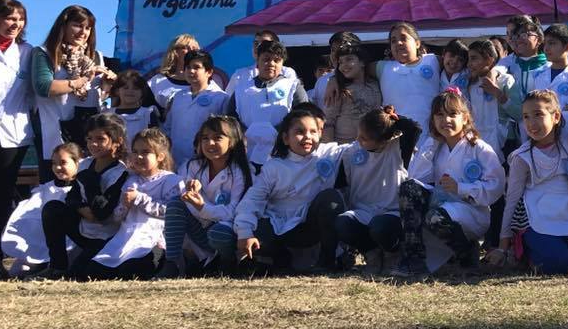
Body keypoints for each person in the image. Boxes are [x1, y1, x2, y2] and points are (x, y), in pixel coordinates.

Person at [391, 90, 505, 279]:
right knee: (408, 188)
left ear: (465, 118)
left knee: (435, 217)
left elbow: (496, 186)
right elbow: (416, 177)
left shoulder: (479, 148)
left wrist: (461, 188)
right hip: (441, 206)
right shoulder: (436, 146)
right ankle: (413, 256)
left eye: (452, 114)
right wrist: (432, 143)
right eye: (440, 115)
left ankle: (467, 254)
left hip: (471, 212)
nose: (446, 120)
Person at [490, 90, 568, 275]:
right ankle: (524, 253)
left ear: (556, 117)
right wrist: (503, 246)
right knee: (557, 263)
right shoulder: (522, 157)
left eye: (538, 115)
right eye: (526, 117)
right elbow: (512, 199)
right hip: (537, 218)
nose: (531, 123)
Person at [233, 105, 347, 274]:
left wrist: (385, 122)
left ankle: (327, 260)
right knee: (255, 232)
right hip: (278, 227)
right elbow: (252, 200)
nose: (307, 137)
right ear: (286, 138)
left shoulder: (330, 154)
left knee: (331, 198)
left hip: (310, 228)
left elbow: (362, 145)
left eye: (313, 131)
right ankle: (277, 259)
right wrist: (245, 232)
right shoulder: (274, 167)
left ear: (320, 134)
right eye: (300, 131)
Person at [37, 113, 130, 279]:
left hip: (106, 236)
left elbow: (102, 213)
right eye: (89, 138)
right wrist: (82, 208)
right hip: (84, 227)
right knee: (52, 208)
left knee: (80, 275)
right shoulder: (86, 164)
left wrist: (90, 182)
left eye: (100, 139)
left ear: (117, 141)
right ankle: (57, 266)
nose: (93, 144)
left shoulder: (121, 173)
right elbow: (72, 197)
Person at [160, 116, 253, 278]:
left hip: (225, 233)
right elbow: (185, 201)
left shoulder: (241, 172)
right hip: (201, 231)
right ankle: (172, 262)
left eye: (217, 138)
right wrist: (192, 196)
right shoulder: (193, 166)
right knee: (176, 204)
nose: (210, 143)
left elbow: (233, 212)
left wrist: (202, 207)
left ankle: (227, 262)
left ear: (231, 142)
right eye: (205, 138)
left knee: (219, 233)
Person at [333, 106, 421, 273]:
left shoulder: (398, 148)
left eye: (364, 138)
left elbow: (414, 128)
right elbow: (340, 186)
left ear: (382, 141)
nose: (358, 140)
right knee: (342, 223)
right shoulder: (351, 152)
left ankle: (392, 254)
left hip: (391, 212)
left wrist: (392, 118)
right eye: (359, 134)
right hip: (362, 211)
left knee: (380, 227)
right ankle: (371, 253)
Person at [32, 5, 113, 180]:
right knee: (56, 186)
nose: (83, 32)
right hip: (56, 132)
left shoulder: (96, 56)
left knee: (88, 184)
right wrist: (82, 80)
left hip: (88, 133)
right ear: (63, 26)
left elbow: (98, 95)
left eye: (88, 28)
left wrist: (108, 85)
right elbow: (44, 87)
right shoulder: (45, 53)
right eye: (77, 25)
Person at [88, 128, 181, 280]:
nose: (139, 156)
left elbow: (170, 212)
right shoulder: (131, 181)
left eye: (145, 152)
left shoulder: (171, 180)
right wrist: (125, 205)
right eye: (135, 152)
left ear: (160, 156)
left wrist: (140, 199)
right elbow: (117, 218)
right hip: (127, 237)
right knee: (93, 271)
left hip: (153, 238)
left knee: (132, 270)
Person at [0, 0, 34, 280]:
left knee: (2, 196)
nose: (15, 24)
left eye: (20, 19)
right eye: (9, 18)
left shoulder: (28, 52)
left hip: (14, 134)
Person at [1, 142, 82, 279]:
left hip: (73, 243)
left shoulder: (82, 186)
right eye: (54, 163)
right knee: (17, 271)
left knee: (76, 267)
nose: (57, 167)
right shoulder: (45, 189)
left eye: (63, 163)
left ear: (78, 162)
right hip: (44, 244)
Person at [228, 40, 307, 167]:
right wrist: (243, 134)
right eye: (266, 59)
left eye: (277, 60)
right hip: (248, 154)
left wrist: (280, 132)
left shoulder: (293, 86)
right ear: (257, 62)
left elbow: (303, 116)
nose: (271, 64)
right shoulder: (240, 89)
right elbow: (230, 119)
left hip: (283, 152)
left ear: (282, 63)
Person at [164, 51, 230, 168]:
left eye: (196, 67)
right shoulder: (178, 96)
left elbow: (226, 133)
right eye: (188, 67)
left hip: (205, 163)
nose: (191, 71)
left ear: (209, 72)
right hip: (175, 162)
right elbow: (168, 127)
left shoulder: (221, 98)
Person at [465, 40, 514, 162]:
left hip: (504, 143)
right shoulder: (471, 84)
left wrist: (498, 93)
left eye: (474, 58)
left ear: (489, 60)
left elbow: (517, 113)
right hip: (478, 143)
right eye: (469, 59)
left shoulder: (505, 80)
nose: (469, 64)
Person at [323, 44, 382, 144]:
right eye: (340, 62)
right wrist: (330, 149)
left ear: (362, 62)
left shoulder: (375, 84)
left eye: (349, 59)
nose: (343, 65)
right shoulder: (338, 88)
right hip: (343, 145)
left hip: (370, 145)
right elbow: (328, 121)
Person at [148, 34, 209, 111]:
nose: (191, 51)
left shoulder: (206, 81)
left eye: (195, 48)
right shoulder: (157, 81)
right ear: (175, 52)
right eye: (186, 47)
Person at [226, 30, 297, 96]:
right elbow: (229, 100)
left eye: (264, 43)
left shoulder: (287, 73)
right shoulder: (240, 75)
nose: (258, 47)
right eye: (256, 43)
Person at [108, 69, 160, 150]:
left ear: (142, 92)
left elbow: (155, 142)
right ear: (117, 91)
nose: (130, 91)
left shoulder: (148, 114)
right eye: (126, 88)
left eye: (135, 88)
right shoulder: (108, 114)